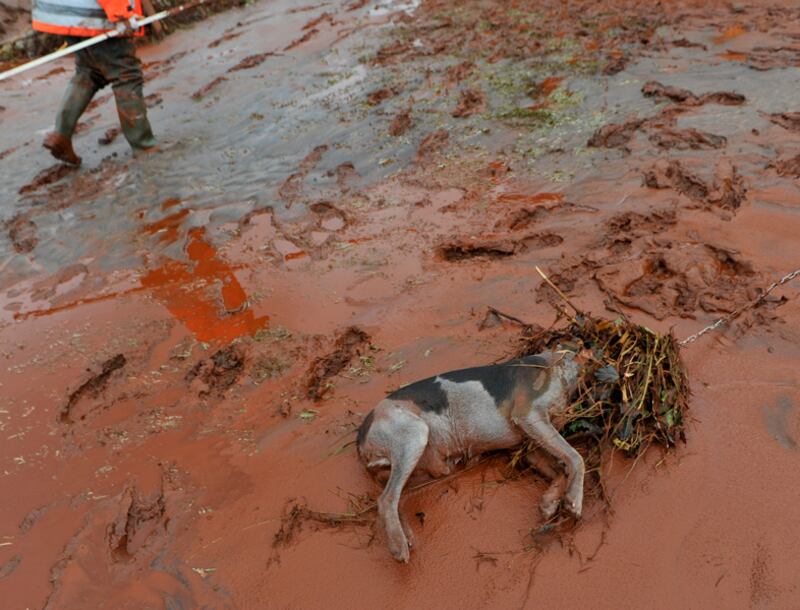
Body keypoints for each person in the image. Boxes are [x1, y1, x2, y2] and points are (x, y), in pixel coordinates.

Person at [31, 0, 157, 165]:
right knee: (126, 75)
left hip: (59, 13)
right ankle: (144, 147)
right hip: (93, 14)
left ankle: (61, 133)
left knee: (89, 70)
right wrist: (121, 12)